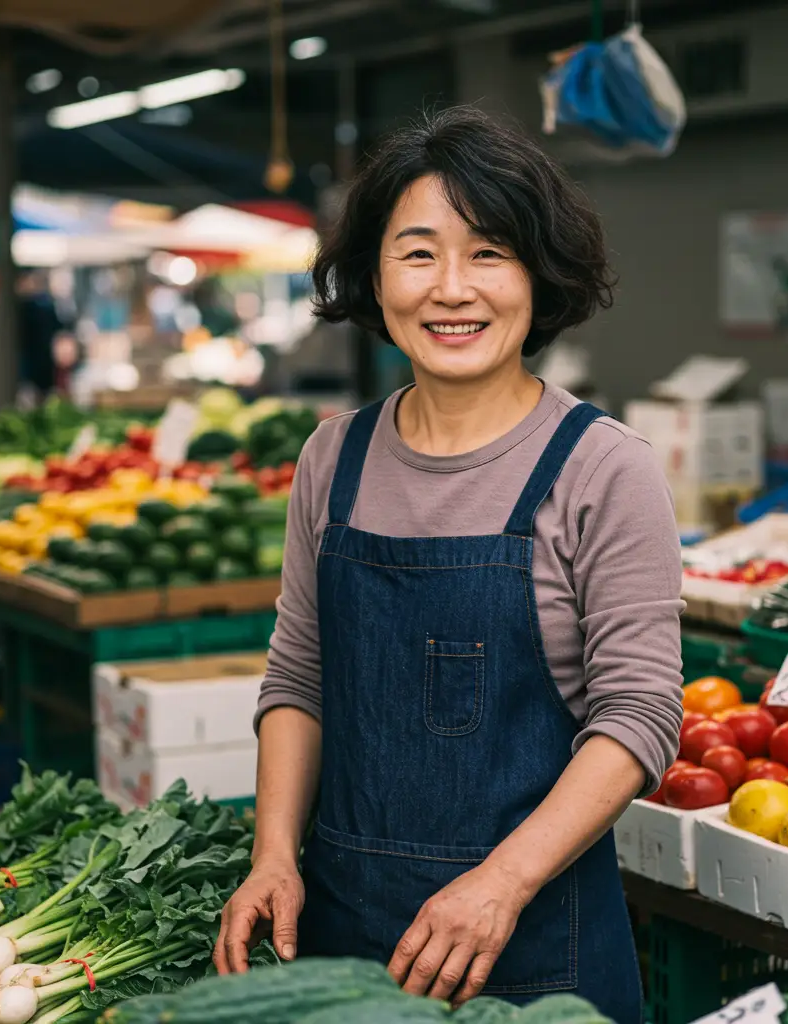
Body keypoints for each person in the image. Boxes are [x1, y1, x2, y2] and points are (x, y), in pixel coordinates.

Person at [215, 105, 683, 1023]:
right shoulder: (332, 458)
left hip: (536, 947)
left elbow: (640, 715)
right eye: (419, 252)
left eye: (490, 254)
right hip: (341, 943)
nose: (452, 289)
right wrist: (273, 855)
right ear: (375, 275)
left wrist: (500, 885)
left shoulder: (602, 468)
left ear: (538, 276)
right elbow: (298, 679)